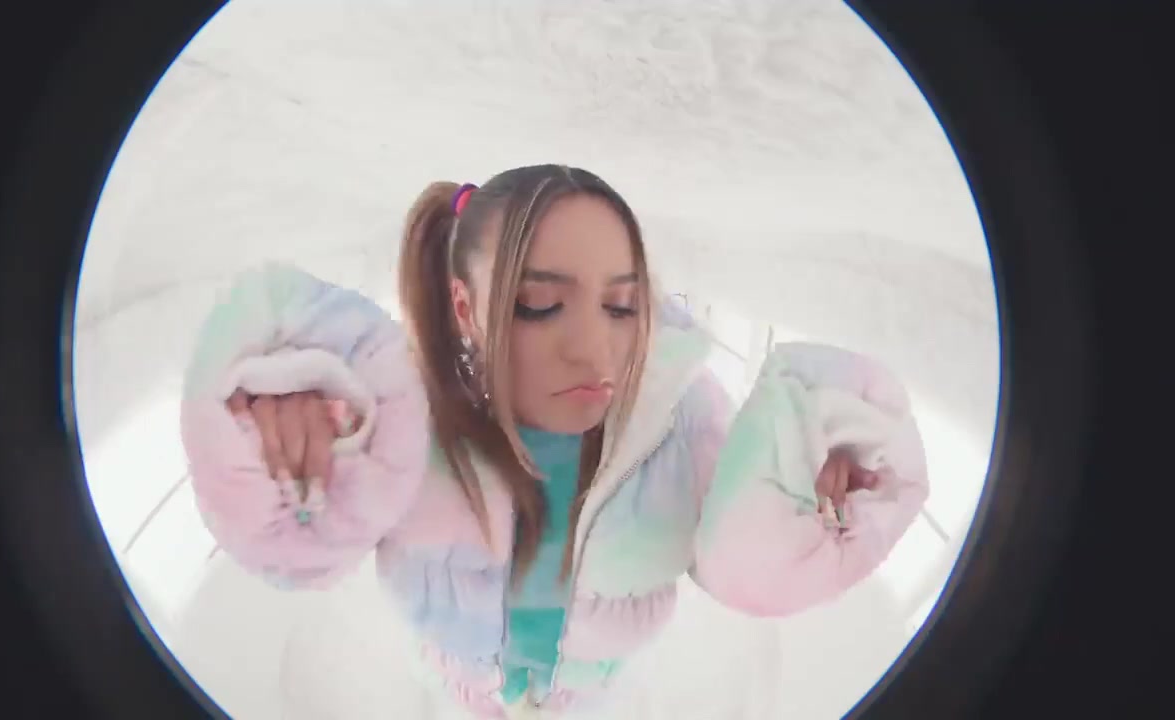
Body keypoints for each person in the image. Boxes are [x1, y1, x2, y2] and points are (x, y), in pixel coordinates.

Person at [179, 164, 929, 719]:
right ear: (464, 309)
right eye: (538, 304)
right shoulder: (400, 410)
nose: (593, 352)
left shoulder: (685, 414)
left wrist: (812, 470)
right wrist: (281, 429)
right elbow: (298, 546)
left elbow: (738, 554)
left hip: (595, 687)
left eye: (622, 306)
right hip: (458, 683)